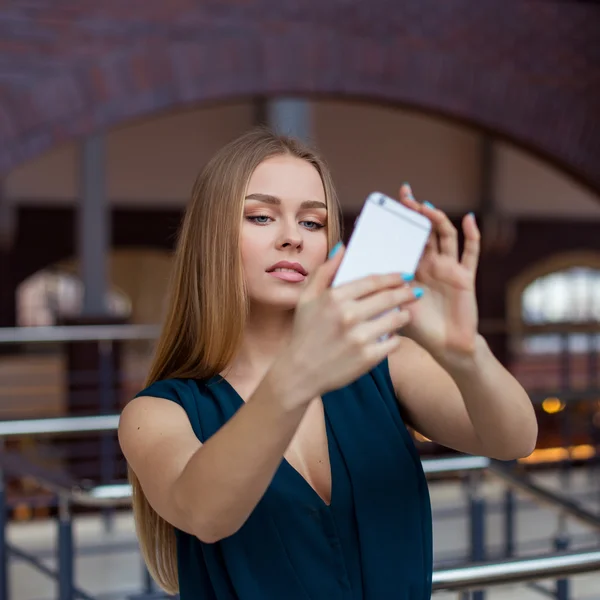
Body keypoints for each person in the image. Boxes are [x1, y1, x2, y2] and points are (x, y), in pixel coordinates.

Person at [118, 127, 538, 600]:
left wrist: (466, 354)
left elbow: (514, 439)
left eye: (312, 223)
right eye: (260, 216)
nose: (292, 238)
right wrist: (299, 369)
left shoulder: (386, 364)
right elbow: (207, 514)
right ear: (210, 238)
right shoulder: (155, 414)